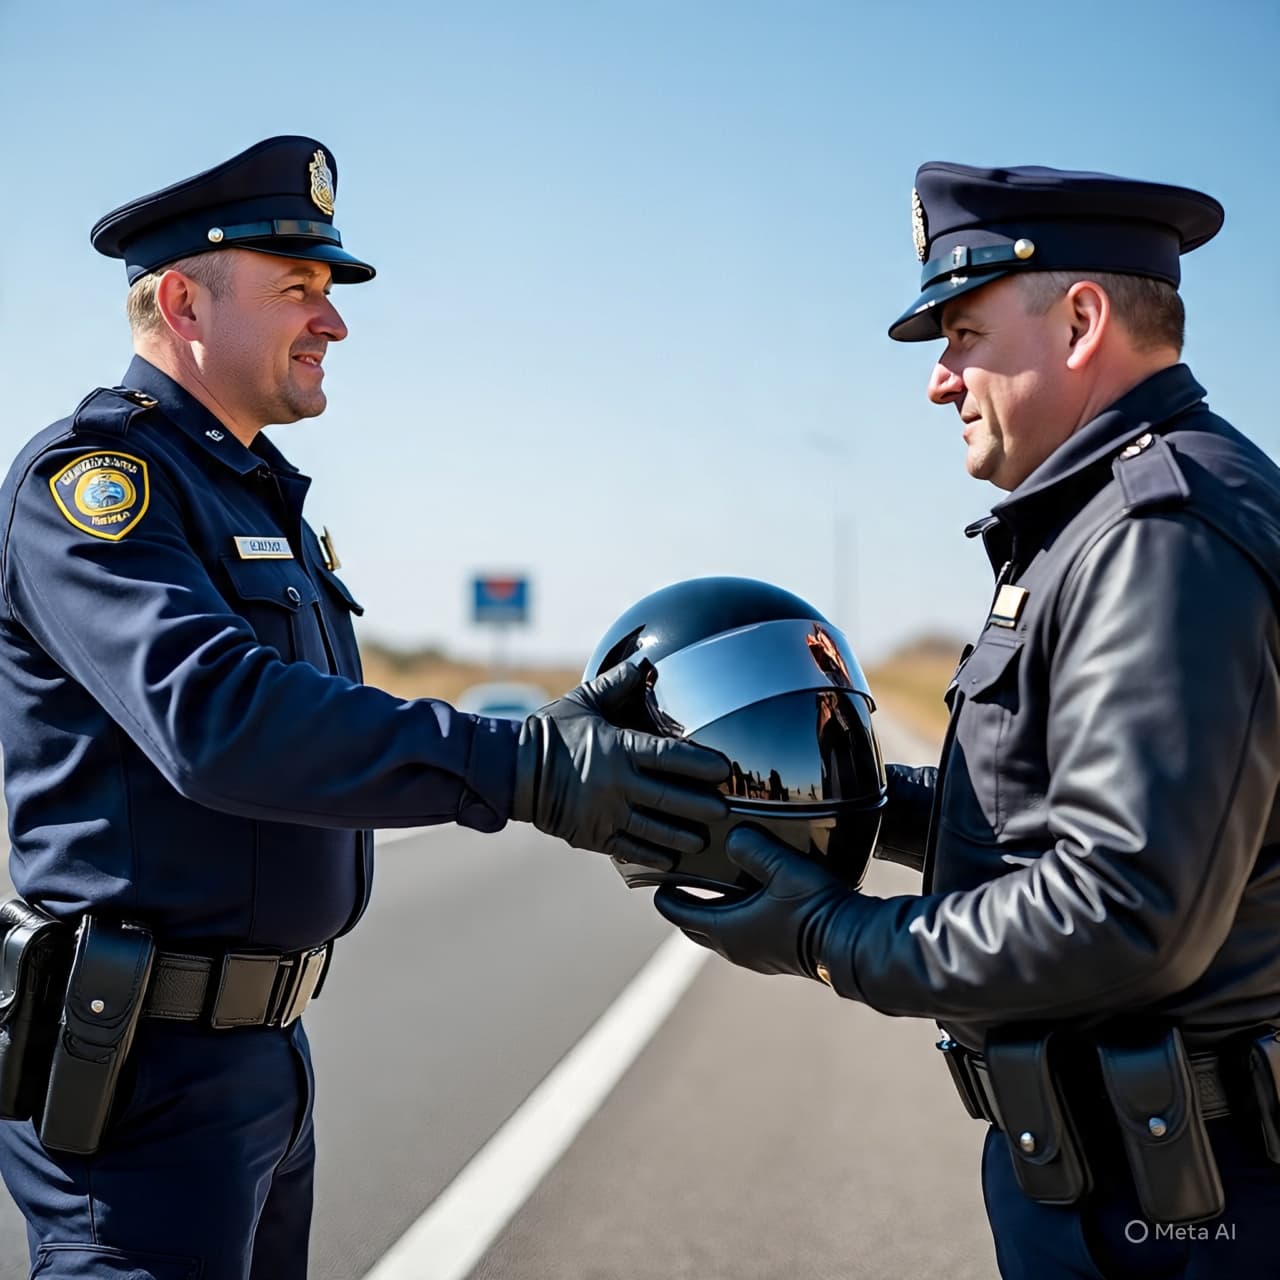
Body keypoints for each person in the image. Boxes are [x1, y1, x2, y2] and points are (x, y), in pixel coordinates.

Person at [0, 135, 729, 1278]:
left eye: (328, 291)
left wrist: (542, 740)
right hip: (139, 1071)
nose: (332, 321)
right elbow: (220, 720)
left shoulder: (254, 496)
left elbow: (323, 721)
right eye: (297, 288)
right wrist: (521, 765)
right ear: (183, 301)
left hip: (261, 1058)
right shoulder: (96, 484)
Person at [654, 162, 1280, 1279]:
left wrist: (827, 938)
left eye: (962, 335)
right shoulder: (1100, 522)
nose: (939, 382)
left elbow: (1120, 909)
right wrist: (834, 802)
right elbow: (1052, 819)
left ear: (1080, 320)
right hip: (1122, 1173)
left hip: (1182, 1206)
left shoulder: (1157, 534)